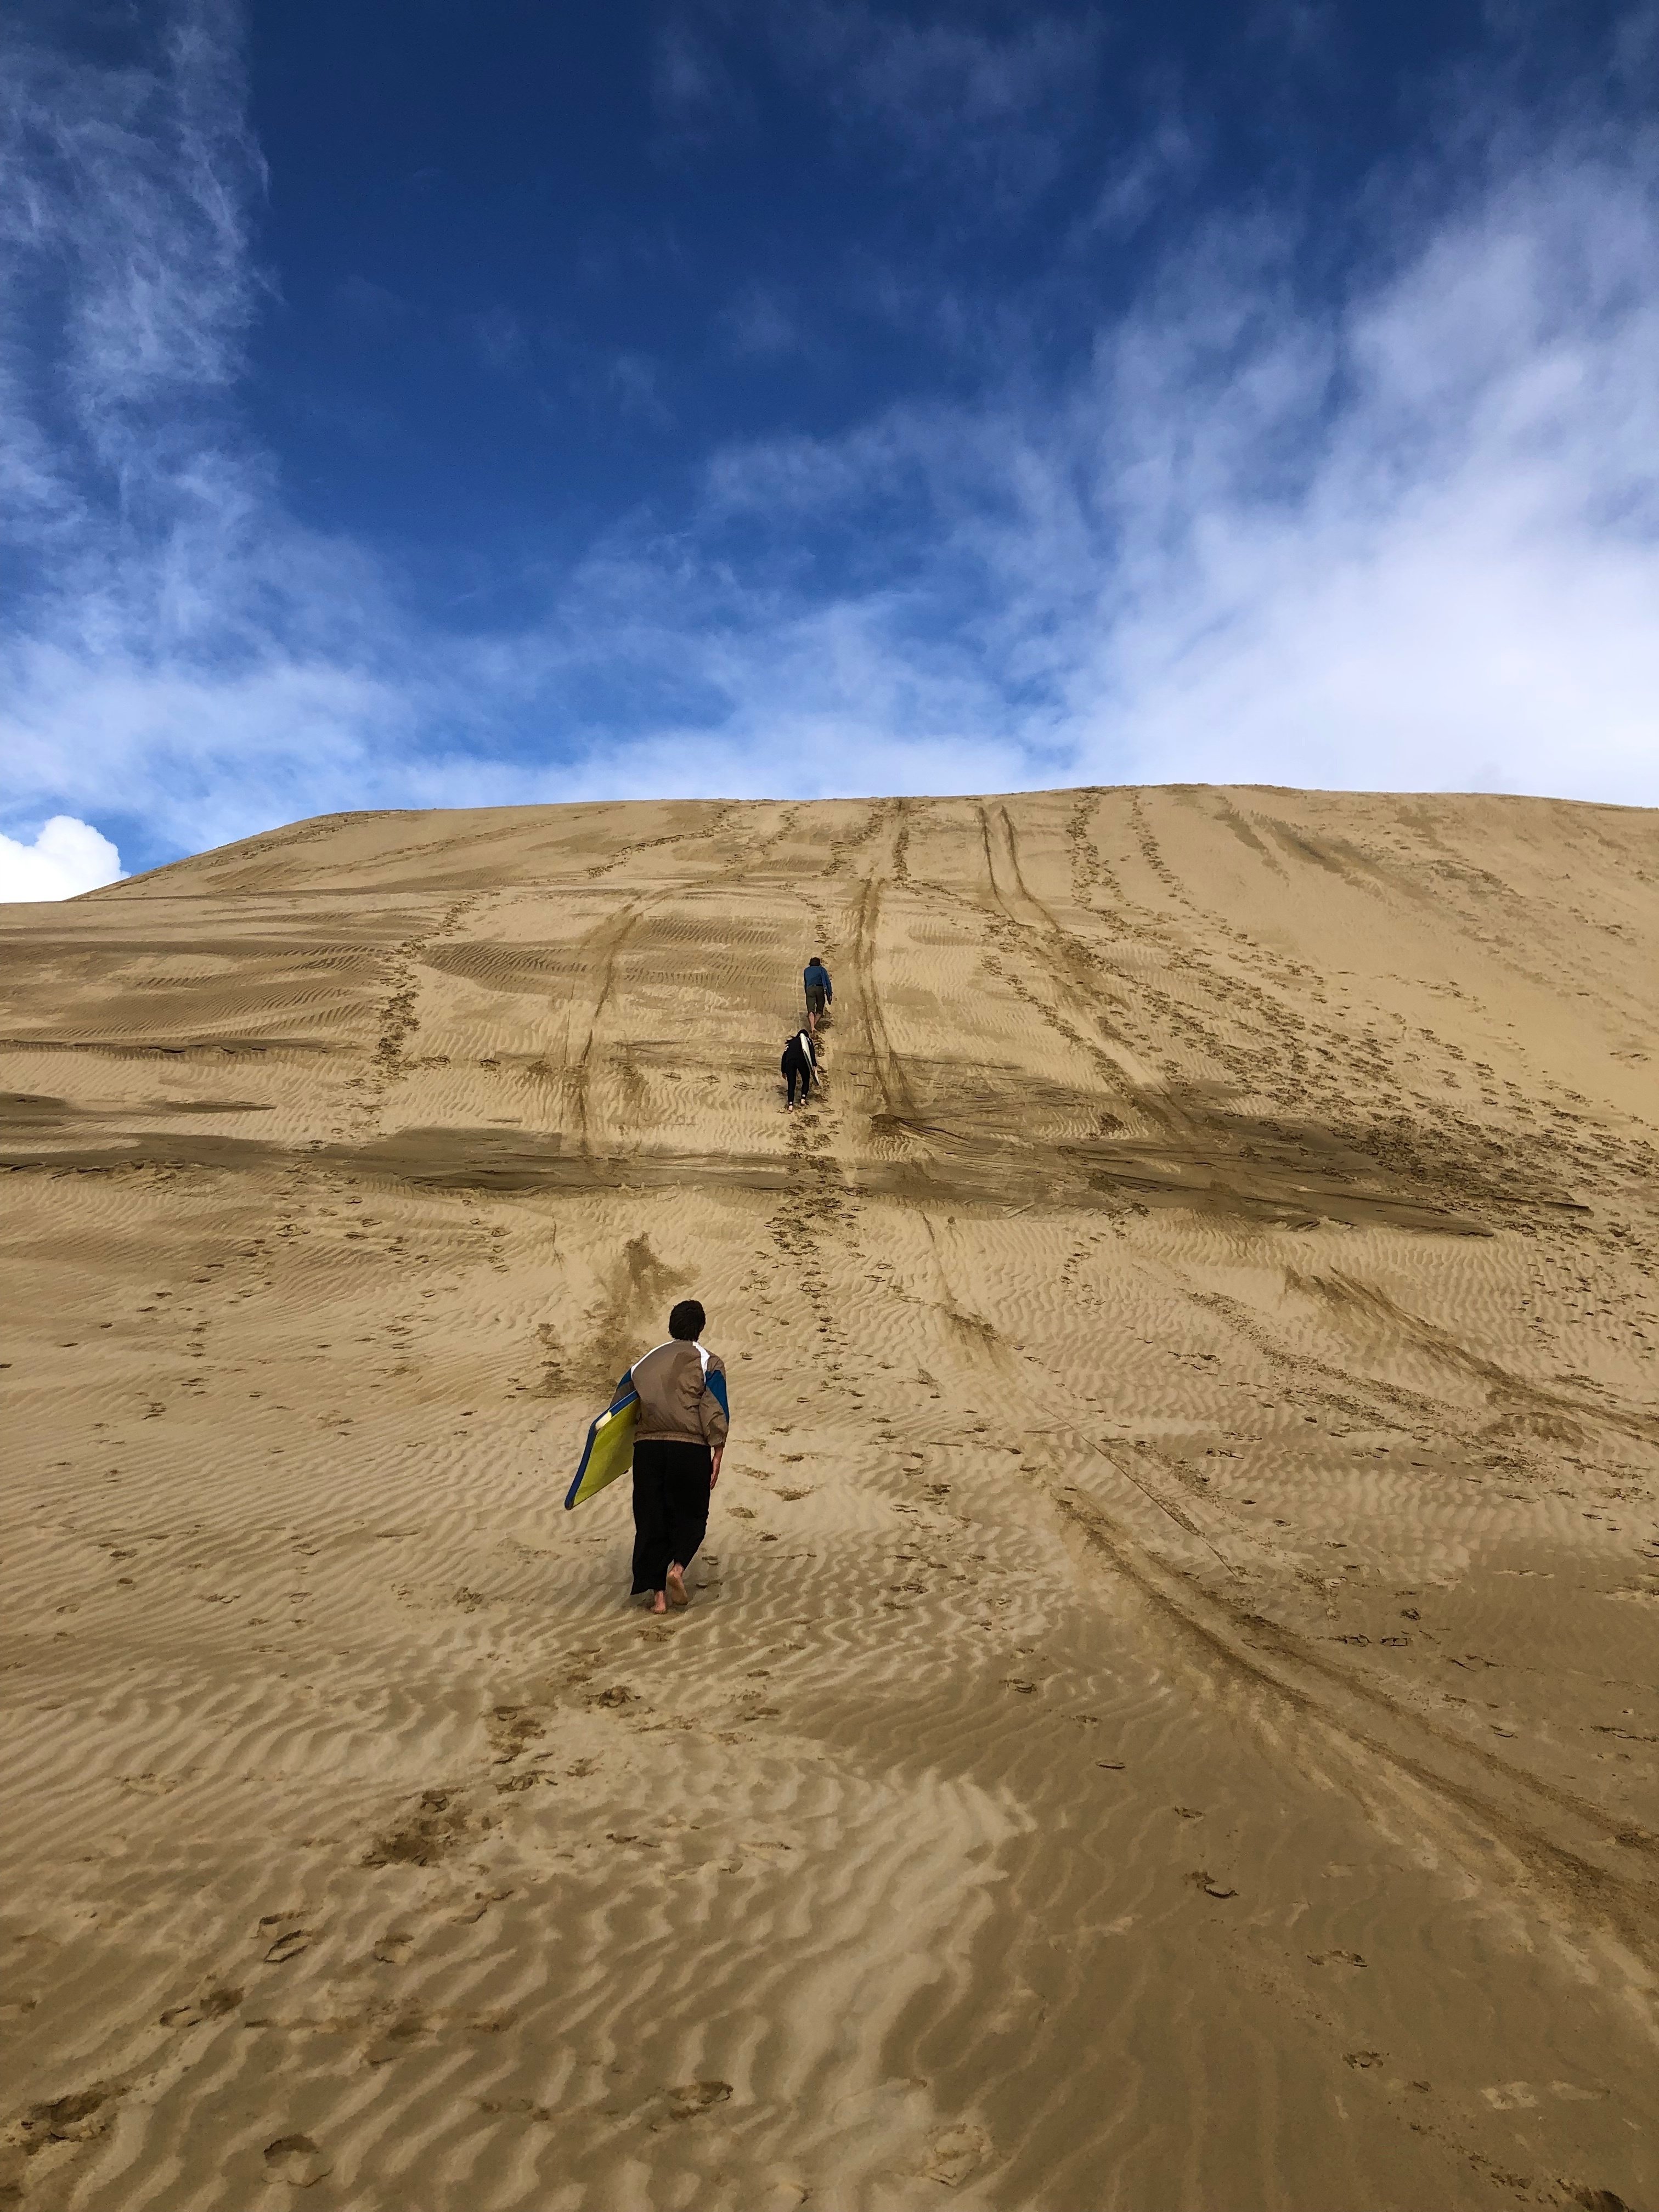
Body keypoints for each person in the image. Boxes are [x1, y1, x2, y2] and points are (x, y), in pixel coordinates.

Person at [619, 1300, 728, 1614]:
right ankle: (677, 1569)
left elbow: (621, 1407)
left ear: (671, 1326)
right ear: (700, 1328)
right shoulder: (709, 1362)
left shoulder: (643, 1363)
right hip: (689, 1447)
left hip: (649, 1449)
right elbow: (715, 1408)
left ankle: (658, 1598)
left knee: (652, 1518)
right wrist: (718, 1451)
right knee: (692, 1513)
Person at [782, 1026, 816, 1110]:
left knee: (791, 1084)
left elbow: (784, 1056)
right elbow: (811, 1051)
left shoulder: (791, 1043)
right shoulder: (807, 1040)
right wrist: (814, 1064)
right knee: (806, 1079)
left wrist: (783, 1070)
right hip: (801, 1060)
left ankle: (790, 1105)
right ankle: (803, 1099)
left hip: (790, 1062)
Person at [803, 955, 832, 1034]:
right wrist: (830, 994)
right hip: (820, 989)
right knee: (819, 1010)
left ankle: (812, 1027)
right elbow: (827, 982)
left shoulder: (806, 970)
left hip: (810, 989)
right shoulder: (822, 970)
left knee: (811, 1010)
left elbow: (806, 983)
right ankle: (814, 1026)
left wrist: (807, 992)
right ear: (819, 964)